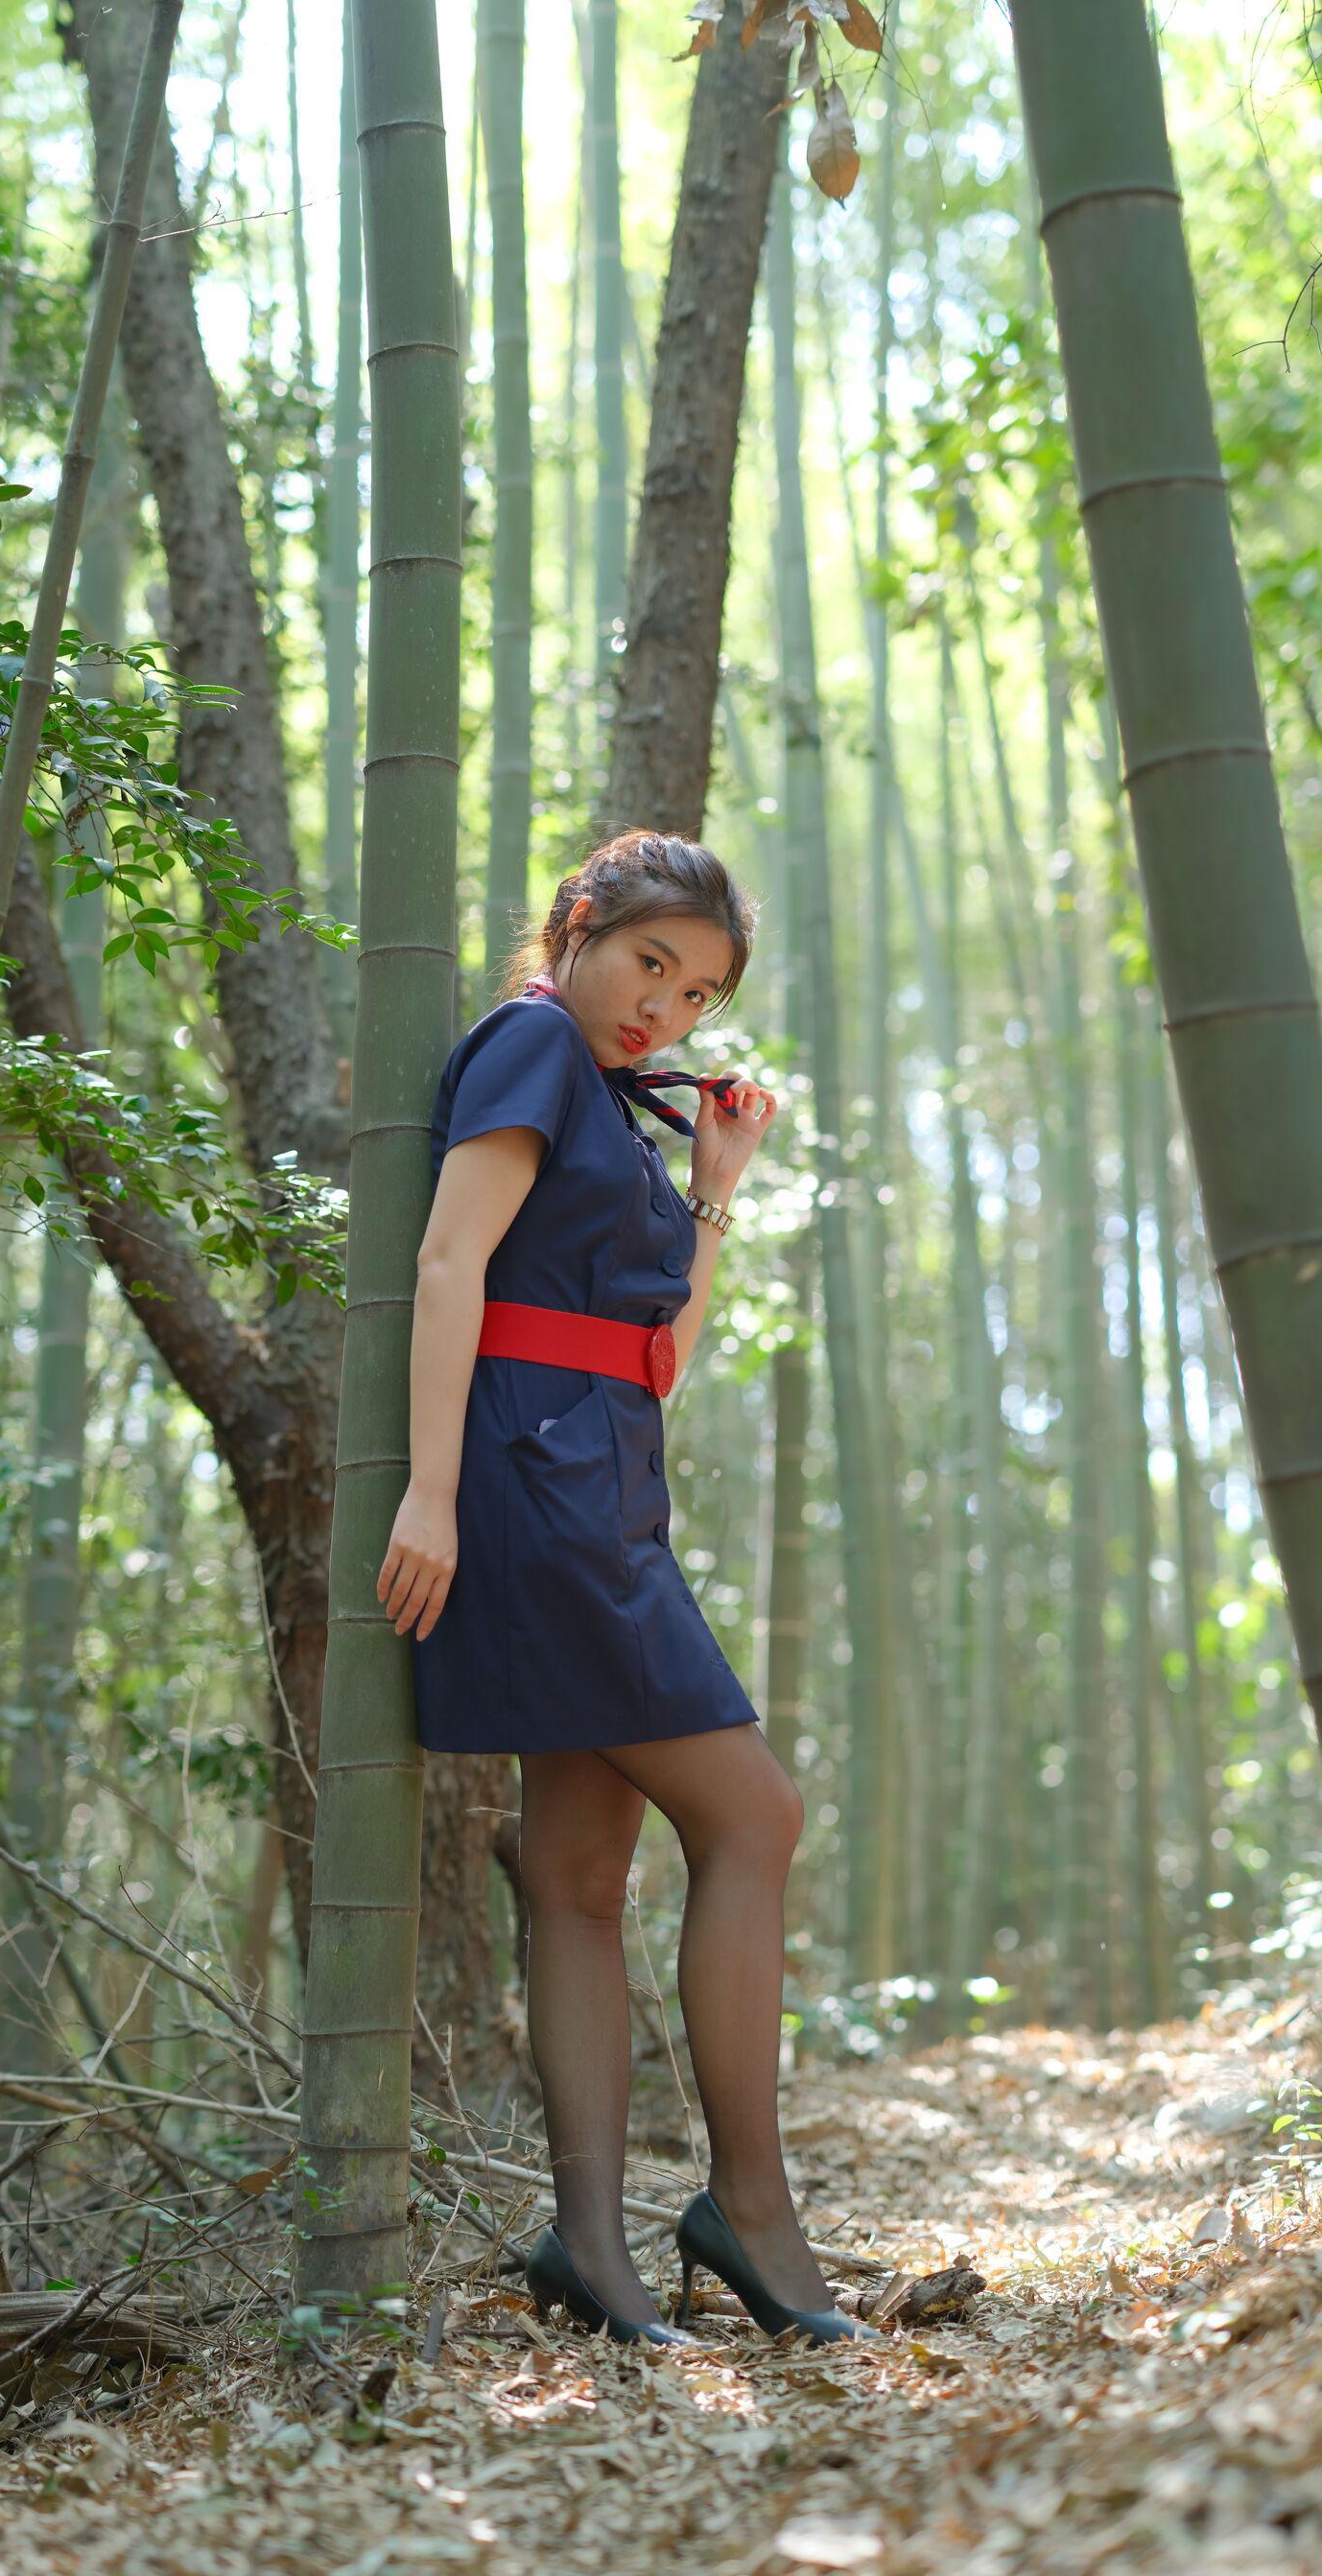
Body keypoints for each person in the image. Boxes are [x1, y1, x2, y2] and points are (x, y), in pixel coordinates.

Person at [376, 830, 878, 2350]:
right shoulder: (531, 1043)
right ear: (579, 924)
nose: (664, 1008)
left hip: (598, 1480)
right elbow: (450, 1263)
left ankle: (590, 2245)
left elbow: (656, 1356)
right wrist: (432, 1492)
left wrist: (714, 1189)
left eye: (698, 992)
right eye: (650, 963)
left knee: (581, 1875)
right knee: (755, 1814)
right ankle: (750, 2208)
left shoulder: (608, 1098)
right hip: (535, 1496)